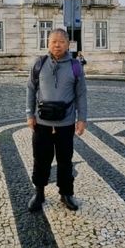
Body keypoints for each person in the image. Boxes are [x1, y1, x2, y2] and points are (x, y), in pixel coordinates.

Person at [26, 28, 87, 213]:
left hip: (66, 123)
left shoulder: (76, 66)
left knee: (65, 160)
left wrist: (82, 118)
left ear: (68, 44)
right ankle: (39, 193)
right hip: (42, 123)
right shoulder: (39, 64)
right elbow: (30, 88)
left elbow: (81, 94)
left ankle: (66, 193)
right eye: (53, 41)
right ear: (48, 43)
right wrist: (30, 114)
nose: (57, 45)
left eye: (61, 41)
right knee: (40, 159)